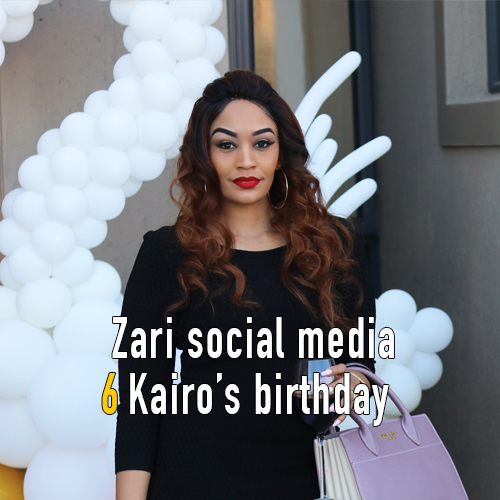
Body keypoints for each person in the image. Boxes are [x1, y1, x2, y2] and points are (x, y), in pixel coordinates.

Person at [114, 69, 376, 500]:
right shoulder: (167, 252)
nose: (246, 161)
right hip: (193, 481)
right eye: (226, 144)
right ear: (204, 155)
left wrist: (355, 386)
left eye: (262, 143)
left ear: (282, 152)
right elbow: (139, 399)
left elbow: (362, 366)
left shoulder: (337, 245)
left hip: (307, 479)